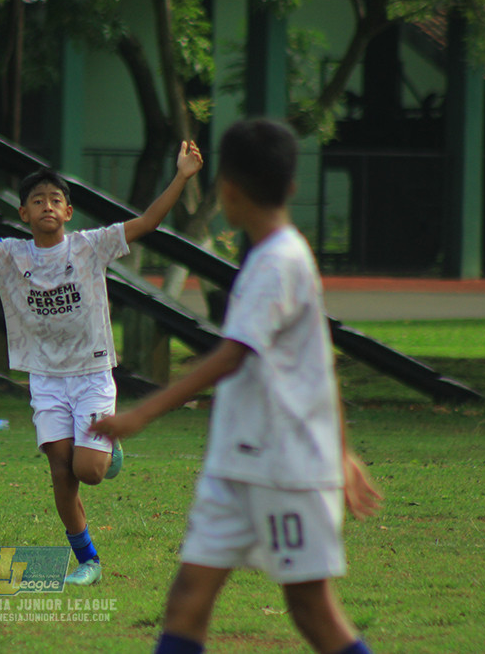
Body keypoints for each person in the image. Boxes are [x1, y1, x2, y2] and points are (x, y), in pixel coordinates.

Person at [89, 119, 383, 653]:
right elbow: (320, 366)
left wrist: (141, 414)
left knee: (312, 609)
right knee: (186, 601)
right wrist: (340, 448)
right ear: (291, 186)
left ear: (226, 189)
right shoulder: (272, 256)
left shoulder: (280, 261)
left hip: (286, 468)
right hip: (236, 465)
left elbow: (233, 354)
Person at [0, 138, 203, 585]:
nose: (47, 206)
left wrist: (181, 176)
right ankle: (89, 561)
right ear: (23, 213)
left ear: (68, 212)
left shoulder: (90, 246)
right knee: (61, 473)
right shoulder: (10, 255)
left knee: (89, 472)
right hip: (45, 380)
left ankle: (107, 451)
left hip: (91, 375)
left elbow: (148, 222)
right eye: (37, 200)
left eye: (55, 200)